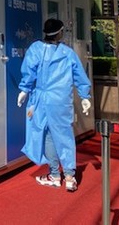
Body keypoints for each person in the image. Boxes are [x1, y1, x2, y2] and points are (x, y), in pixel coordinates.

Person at [17, 18, 91, 192]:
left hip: (41, 99)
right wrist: (85, 96)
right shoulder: (68, 53)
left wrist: (24, 90)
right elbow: (79, 76)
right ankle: (70, 177)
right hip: (61, 101)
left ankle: (55, 175)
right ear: (60, 32)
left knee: (45, 135)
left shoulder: (35, 49)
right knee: (65, 135)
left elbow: (29, 72)